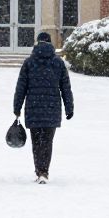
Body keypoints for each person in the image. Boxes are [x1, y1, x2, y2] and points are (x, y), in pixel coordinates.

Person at [13, 32, 73, 184]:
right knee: (47, 141)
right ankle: (44, 171)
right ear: (50, 43)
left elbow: (21, 87)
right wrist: (69, 107)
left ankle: (39, 170)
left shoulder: (29, 62)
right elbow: (65, 87)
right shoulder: (58, 63)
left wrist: (17, 107)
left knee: (36, 142)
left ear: (37, 43)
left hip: (33, 107)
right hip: (52, 109)